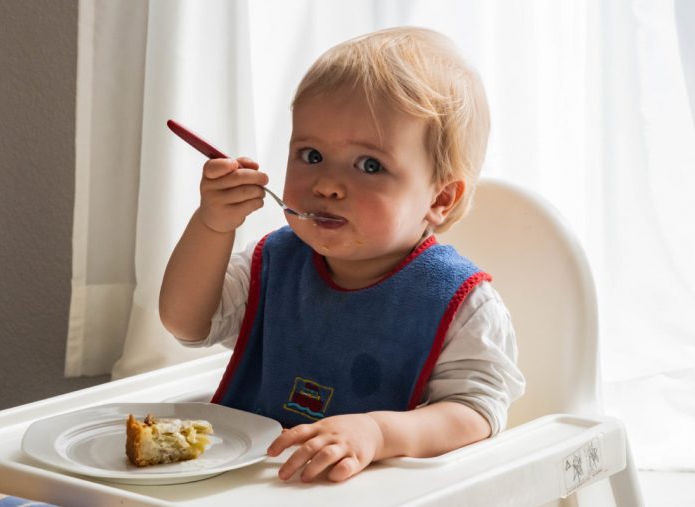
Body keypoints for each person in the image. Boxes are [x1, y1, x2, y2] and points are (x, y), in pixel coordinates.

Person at [159, 26, 525, 483]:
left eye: (369, 165)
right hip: (253, 486)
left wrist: (377, 432)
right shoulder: (275, 261)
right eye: (310, 155)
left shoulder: (461, 303)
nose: (326, 185)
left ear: (441, 199)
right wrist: (213, 224)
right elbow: (186, 322)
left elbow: (477, 412)